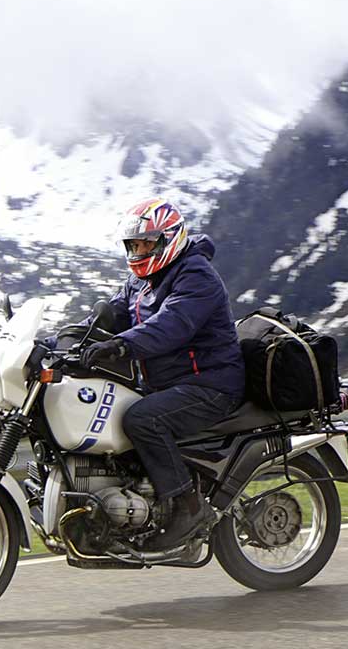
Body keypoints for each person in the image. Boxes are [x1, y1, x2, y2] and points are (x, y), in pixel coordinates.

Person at [79, 198, 246, 550]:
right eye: (133, 245)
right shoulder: (139, 282)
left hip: (211, 384)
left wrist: (122, 345)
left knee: (141, 419)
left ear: (169, 238)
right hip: (168, 383)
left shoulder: (195, 274)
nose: (138, 252)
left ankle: (188, 507)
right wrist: (59, 342)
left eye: (145, 244)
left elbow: (172, 324)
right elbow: (109, 316)